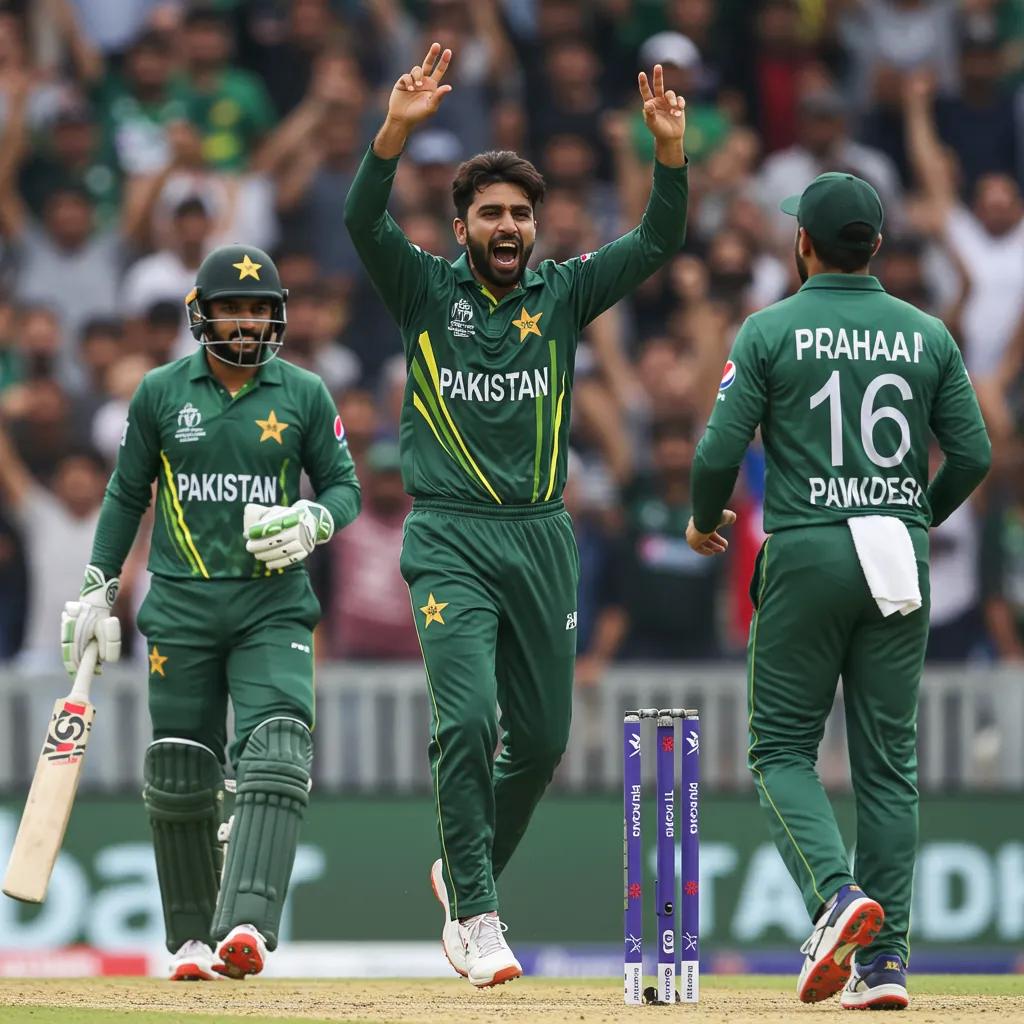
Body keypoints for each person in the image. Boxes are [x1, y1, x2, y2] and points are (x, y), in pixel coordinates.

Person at [344, 42, 688, 987]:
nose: (508, 226)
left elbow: (658, 243)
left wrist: (667, 156)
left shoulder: (564, 294)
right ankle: (481, 912)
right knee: (470, 720)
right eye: (491, 212)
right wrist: (393, 134)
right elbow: (360, 217)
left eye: (521, 214)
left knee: (538, 743)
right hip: (449, 533)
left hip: (541, 537)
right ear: (461, 225)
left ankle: (459, 867)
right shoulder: (423, 290)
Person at [686, 172, 990, 1009]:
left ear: (804, 245)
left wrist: (701, 515)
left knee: (780, 749)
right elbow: (973, 454)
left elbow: (718, 451)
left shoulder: (769, 328)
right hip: (899, 552)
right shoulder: (926, 332)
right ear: (879, 247)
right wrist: (909, 516)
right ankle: (885, 966)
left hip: (809, 547)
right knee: (889, 766)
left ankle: (835, 896)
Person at [58, 244, 360, 981]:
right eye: (234, 307)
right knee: (181, 769)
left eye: (260, 308)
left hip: (272, 605)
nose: (248, 321)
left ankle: (246, 925)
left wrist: (314, 522)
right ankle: (192, 940)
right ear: (203, 312)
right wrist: (99, 585)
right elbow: (126, 494)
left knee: (279, 747)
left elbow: (346, 487)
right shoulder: (160, 392)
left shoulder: (305, 394)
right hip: (182, 604)